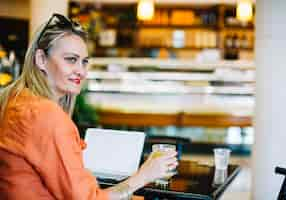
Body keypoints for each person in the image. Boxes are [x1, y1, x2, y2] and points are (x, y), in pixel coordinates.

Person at [0, 13, 178, 200]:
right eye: (71, 59)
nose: (81, 71)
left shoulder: (13, 99)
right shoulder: (47, 116)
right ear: (41, 59)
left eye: (84, 61)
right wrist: (144, 176)